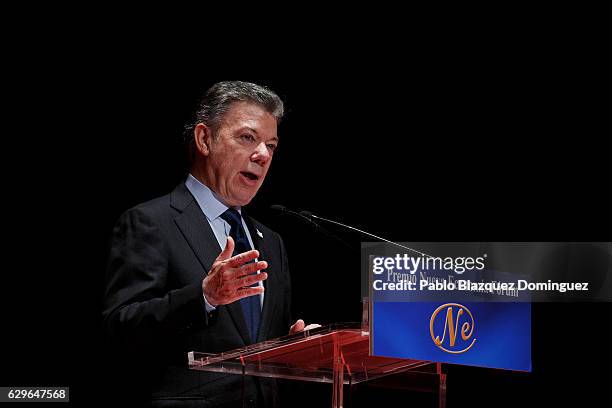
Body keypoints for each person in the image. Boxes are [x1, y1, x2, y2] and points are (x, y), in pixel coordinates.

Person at [102, 81, 309, 407]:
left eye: (272, 145)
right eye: (248, 138)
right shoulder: (151, 222)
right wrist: (205, 297)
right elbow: (121, 329)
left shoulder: (272, 243)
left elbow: (258, 341)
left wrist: (294, 347)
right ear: (204, 139)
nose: (263, 155)